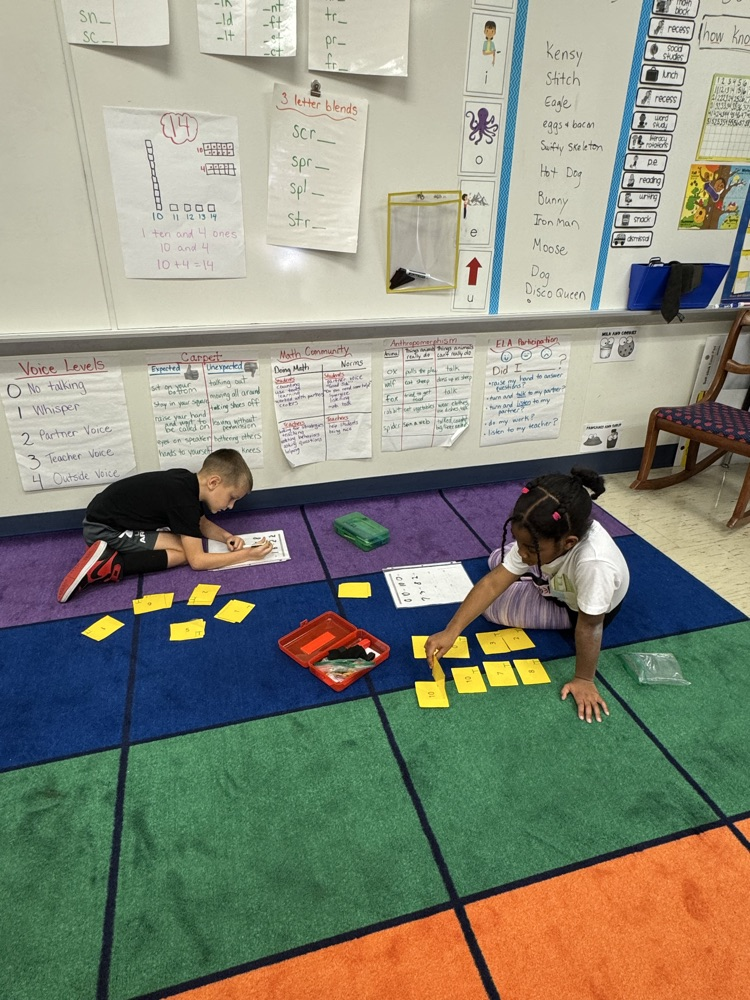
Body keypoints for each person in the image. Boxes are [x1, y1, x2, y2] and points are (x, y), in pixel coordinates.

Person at [425, 468, 629, 723]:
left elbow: (590, 625)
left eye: (530, 547)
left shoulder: (594, 565)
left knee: (492, 608)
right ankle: (535, 570)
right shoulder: (547, 540)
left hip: (579, 610)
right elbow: (491, 584)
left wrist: (584, 679)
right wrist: (451, 630)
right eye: (518, 542)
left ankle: (536, 580)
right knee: (498, 560)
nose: (522, 552)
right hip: (557, 574)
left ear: (568, 542)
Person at [57, 448, 272, 602]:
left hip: (109, 518)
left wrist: (226, 537)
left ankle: (110, 552)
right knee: (184, 553)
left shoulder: (187, 482)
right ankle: (109, 563)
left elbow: (200, 523)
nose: (232, 506)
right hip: (103, 529)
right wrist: (247, 555)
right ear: (214, 482)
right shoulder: (184, 502)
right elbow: (197, 561)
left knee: (184, 545)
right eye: (232, 497)